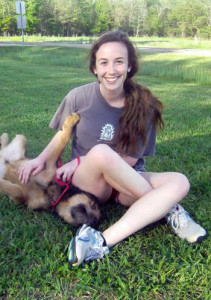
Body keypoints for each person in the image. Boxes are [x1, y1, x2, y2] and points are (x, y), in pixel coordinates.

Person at [18, 31, 207, 267]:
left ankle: (100, 240)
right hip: (89, 182)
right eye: (104, 62)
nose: (111, 70)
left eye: (119, 61)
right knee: (100, 152)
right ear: (95, 68)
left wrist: (78, 160)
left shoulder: (143, 105)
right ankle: (170, 208)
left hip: (125, 182)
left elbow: (128, 160)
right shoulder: (78, 97)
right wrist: (42, 158)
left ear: (129, 66)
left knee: (180, 182)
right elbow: (61, 135)